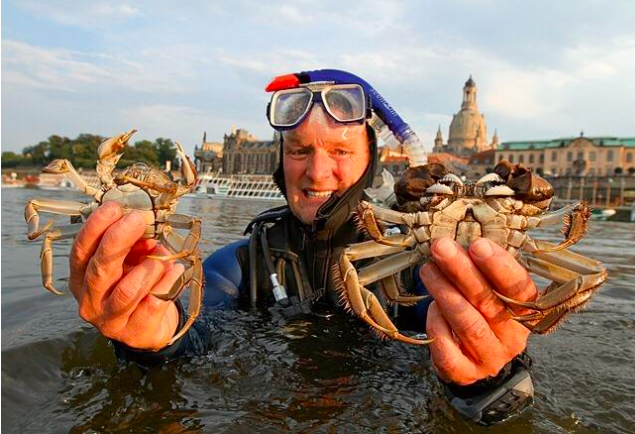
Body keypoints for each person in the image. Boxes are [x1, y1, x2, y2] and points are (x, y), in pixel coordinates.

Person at [68, 69, 537, 425]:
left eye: (339, 152)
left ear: (371, 167)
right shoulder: (236, 266)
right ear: (281, 163)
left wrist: (490, 378)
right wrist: (151, 337)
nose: (316, 173)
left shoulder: (416, 270)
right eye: (298, 150)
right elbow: (195, 328)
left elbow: (465, 344)